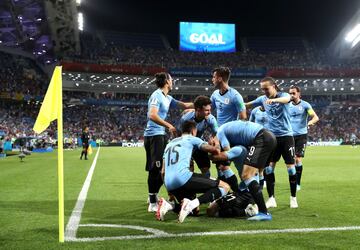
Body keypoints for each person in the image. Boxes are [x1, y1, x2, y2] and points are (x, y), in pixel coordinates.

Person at [157, 120, 230, 223]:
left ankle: (170, 205)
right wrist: (216, 143)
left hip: (170, 184)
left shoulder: (169, 144)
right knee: (224, 187)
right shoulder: (192, 139)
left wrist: (170, 193)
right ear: (193, 131)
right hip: (183, 178)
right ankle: (192, 203)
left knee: (194, 212)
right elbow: (215, 151)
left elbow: (163, 172)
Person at [246, 76, 298, 209]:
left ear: (274, 86)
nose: (264, 92)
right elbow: (248, 104)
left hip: (286, 137)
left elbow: (288, 99)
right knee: (269, 169)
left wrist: (273, 100)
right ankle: (271, 199)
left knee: (291, 169)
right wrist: (238, 104)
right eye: (262, 89)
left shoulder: (283, 95)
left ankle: (293, 198)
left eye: (266, 89)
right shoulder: (263, 99)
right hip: (271, 138)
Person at [144, 72, 193, 212]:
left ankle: (152, 195)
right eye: (171, 79)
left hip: (160, 136)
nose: (173, 82)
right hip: (154, 136)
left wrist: (201, 104)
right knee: (157, 169)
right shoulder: (157, 95)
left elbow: (184, 105)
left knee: (161, 168)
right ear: (167, 81)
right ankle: (152, 202)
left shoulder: (168, 97)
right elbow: (152, 115)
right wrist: (168, 125)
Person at [210, 120, 276, 221]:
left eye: (212, 144)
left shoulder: (220, 132)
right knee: (256, 172)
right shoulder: (233, 135)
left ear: (213, 139)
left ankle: (264, 212)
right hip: (268, 137)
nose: (216, 147)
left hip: (261, 138)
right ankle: (258, 206)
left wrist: (210, 154)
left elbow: (227, 152)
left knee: (246, 175)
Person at [210, 66, 246, 191]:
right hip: (219, 136)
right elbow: (208, 111)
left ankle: (239, 192)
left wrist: (231, 131)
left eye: (214, 77)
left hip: (231, 137)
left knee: (227, 167)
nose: (212, 79)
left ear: (220, 78)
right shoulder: (215, 94)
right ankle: (224, 193)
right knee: (220, 167)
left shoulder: (235, 96)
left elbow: (243, 118)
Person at [178, 95, 218, 176]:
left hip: (199, 145)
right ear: (198, 110)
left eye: (210, 110)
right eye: (207, 110)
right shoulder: (186, 118)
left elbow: (216, 134)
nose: (209, 113)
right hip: (187, 146)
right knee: (188, 170)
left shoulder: (211, 119)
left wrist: (214, 143)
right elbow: (179, 135)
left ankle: (206, 186)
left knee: (206, 170)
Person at [288, 85, 319, 190]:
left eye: (293, 93)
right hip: (290, 136)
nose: (291, 95)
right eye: (290, 93)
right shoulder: (287, 105)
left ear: (299, 93)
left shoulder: (305, 105)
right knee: (291, 161)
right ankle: (293, 181)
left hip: (301, 135)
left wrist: (310, 122)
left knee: (297, 159)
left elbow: (315, 117)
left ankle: (298, 183)